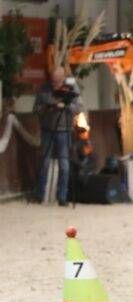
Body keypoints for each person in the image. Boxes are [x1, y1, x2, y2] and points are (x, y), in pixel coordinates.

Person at [34, 68, 80, 206]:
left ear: (63, 78)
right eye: (53, 80)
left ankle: (62, 197)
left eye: (58, 81)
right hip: (47, 129)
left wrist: (65, 105)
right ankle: (40, 195)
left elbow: (78, 108)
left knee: (64, 164)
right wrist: (49, 106)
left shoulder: (71, 87)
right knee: (44, 162)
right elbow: (36, 109)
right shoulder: (44, 89)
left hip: (64, 130)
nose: (55, 84)